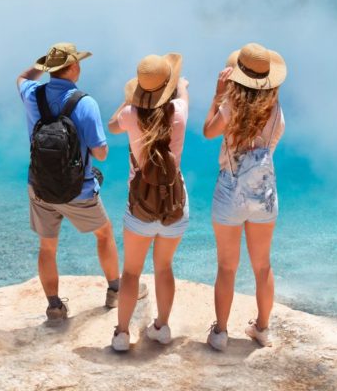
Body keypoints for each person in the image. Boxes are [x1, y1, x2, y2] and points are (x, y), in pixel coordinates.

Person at [17, 42, 145, 321]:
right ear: (74, 67)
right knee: (104, 233)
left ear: (50, 68)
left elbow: (22, 78)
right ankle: (114, 291)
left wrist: (41, 66)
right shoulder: (85, 102)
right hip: (78, 190)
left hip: (39, 185)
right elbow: (100, 152)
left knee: (47, 246)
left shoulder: (32, 94)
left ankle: (54, 307)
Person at [203, 42, 287, 350]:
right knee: (262, 265)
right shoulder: (276, 109)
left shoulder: (230, 106)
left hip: (230, 189)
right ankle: (262, 328)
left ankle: (221, 333)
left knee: (227, 266)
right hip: (263, 192)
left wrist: (217, 96)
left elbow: (208, 131)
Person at [106, 53, 191, 352]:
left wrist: (127, 98)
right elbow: (183, 92)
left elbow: (112, 126)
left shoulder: (130, 114)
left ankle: (121, 334)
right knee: (164, 267)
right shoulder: (179, 111)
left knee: (130, 272)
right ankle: (161, 327)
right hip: (174, 205)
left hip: (139, 207)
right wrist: (179, 85)